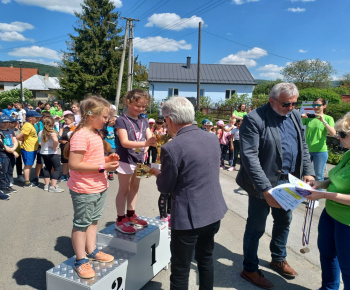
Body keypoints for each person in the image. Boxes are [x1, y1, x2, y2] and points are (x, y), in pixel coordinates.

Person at [236, 82, 315, 289]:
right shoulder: (254, 119)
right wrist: (266, 189)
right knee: (256, 228)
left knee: (283, 222)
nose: (291, 108)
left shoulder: (295, 115)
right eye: (286, 104)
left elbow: (303, 145)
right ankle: (250, 269)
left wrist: (308, 171)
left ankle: (278, 258)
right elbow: (249, 156)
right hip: (261, 184)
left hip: (288, 182)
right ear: (272, 101)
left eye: (294, 104)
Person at [150, 97, 227, 290]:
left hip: (188, 217)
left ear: (169, 119)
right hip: (213, 210)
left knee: (181, 269)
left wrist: (157, 173)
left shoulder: (172, 147)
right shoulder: (210, 137)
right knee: (206, 259)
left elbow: (165, 187)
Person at [64, 95, 119, 279]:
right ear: (90, 115)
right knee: (81, 224)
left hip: (99, 186)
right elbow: (74, 164)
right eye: (104, 117)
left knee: (93, 221)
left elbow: (93, 160)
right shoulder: (81, 136)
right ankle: (80, 259)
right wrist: (103, 166)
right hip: (84, 188)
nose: (107, 120)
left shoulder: (95, 133)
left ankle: (92, 250)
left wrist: (107, 160)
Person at [305, 112, 350, 290]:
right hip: (331, 214)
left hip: (347, 222)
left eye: (343, 134)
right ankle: (329, 288)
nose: (338, 137)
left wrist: (323, 195)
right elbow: (337, 177)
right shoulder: (348, 155)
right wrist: (320, 183)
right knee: (327, 253)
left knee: (347, 266)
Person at [114, 89, 156, 234]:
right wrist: (146, 144)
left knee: (135, 187)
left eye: (143, 106)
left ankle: (131, 215)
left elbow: (149, 137)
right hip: (126, 160)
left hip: (140, 160)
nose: (141, 109)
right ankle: (120, 219)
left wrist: (155, 141)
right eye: (137, 105)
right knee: (124, 189)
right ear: (128, 102)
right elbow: (125, 142)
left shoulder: (144, 119)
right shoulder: (121, 120)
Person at [301, 98, 336, 181]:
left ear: (324, 106)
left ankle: (319, 193)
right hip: (306, 151)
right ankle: (304, 193)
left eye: (318, 105)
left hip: (320, 151)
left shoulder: (328, 118)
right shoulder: (309, 117)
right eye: (314, 105)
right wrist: (301, 117)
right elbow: (295, 127)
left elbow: (333, 133)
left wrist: (323, 121)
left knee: (318, 176)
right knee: (304, 175)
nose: (315, 107)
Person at [16, 110, 42, 187]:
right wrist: (24, 140)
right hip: (28, 149)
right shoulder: (28, 126)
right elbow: (18, 137)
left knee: (29, 165)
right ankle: (27, 182)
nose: (38, 119)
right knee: (28, 165)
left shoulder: (32, 125)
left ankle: (27, 179)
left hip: (32, 148)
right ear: (30, 118)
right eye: (36, 118)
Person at [0, 115, 18, 195]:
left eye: (7, 122)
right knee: (3, 171)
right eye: (3, 122)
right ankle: (3, 187)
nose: (5, 124)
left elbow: (15, 141)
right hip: (3, 154)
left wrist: (14, 148)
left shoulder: (10, 131)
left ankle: (7, 185)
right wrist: (12, 151)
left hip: (11, 153)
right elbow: (1, 143)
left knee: (10, 170)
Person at [59, 111, 75, 181]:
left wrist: (67, 128)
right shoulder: (64, 127)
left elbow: (66, 136)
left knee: (71, 161)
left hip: (71, 147)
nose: (65, 122)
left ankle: (72, 175)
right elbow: (60, 136)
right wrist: (60, 140)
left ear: (72, 120)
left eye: (66, 120)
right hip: (64, 147)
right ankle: (64, 174)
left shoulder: (75, 128)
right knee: (65, 161)